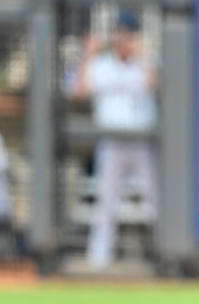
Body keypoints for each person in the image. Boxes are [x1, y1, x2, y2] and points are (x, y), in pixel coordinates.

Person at [74, 11, 158, 269]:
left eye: (128, 34)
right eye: (119, 33)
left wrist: (143, 54)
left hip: (142, 140)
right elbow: (80, 91)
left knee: (155, 197)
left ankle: (164, 253)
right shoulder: (101, 64)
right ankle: (100, 256)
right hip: (111, 141)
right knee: (106, 199)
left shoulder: (146, 61)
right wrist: (87, 55)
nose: (123, 38)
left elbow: (155, 85)